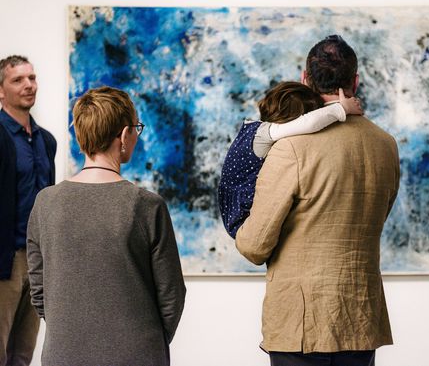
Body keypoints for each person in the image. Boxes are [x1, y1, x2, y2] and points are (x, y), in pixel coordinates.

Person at [236, 35, 400, 366]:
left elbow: (254, 246)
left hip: (301, 324)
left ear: (305, 80)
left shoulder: (292, 147)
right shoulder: (386, 145)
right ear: (355, 81)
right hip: (359, 318)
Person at [26, 86, 186, 366]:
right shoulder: (147, 205)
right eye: (136, 128)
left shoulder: (45, 202)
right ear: (124, 135)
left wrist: (73, 335)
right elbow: (171, 295)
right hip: (137, 354)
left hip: (63, 354)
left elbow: (38, 291)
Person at [219, 81, 363, 238]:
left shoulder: (255, 130)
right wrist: (342, 108)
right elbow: (309, 123)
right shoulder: (263, 135)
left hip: (235, 209)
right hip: (242, 216)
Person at [0, 55, 55, 366]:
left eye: (32, 78)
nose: (29, 85)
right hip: (4, 263)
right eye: (18, 80)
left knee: (22, 355)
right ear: (1, 91)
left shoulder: (47, 141)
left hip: (37, 261)